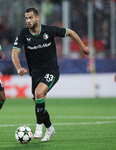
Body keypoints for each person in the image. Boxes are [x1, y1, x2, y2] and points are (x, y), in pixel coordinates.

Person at [11, 8, 90, 142]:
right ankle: (50, 129)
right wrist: (18, 68)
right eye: (26, 18)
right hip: (35, 74)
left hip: (51, 70)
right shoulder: (24, 34)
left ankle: (38, 128)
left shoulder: (49, 30)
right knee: (39, 103)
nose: (28, 21)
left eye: (31, 18)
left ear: (37, 18)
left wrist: (83, 47)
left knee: (38, 94)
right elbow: (14, 52)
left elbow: (69, 32)